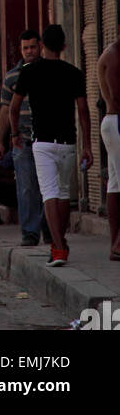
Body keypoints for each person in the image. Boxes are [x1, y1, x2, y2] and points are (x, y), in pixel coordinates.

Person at [10, 24, 91, 267]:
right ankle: (61, 241)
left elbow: (13, 108)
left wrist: (14, 134)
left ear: (42, 45)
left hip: (42, 142)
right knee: (63, 192)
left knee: (49, 193)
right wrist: (87, 144)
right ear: (64, 46)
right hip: (67, 141)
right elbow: (84, 110)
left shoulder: (29, 72)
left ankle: (57, 249)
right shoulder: (74, 73)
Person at [0, 29, 47, 246]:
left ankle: (50, 230)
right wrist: (0, 141)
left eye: (33, 47)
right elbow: (5, 110)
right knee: (26, 187)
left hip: (47, 139)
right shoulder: (12, 76)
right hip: (21, 140)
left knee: (48, 188)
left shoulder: (49, 72)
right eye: (25, 48)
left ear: (40, 46)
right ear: (21, 49)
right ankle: (30, 232)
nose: (29, 52)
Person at [97, 29, 120, 262]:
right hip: (117, 121)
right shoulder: (115, 54)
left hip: (112, 123)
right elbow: (115, 95)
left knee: (114, 185)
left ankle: (115, 243)